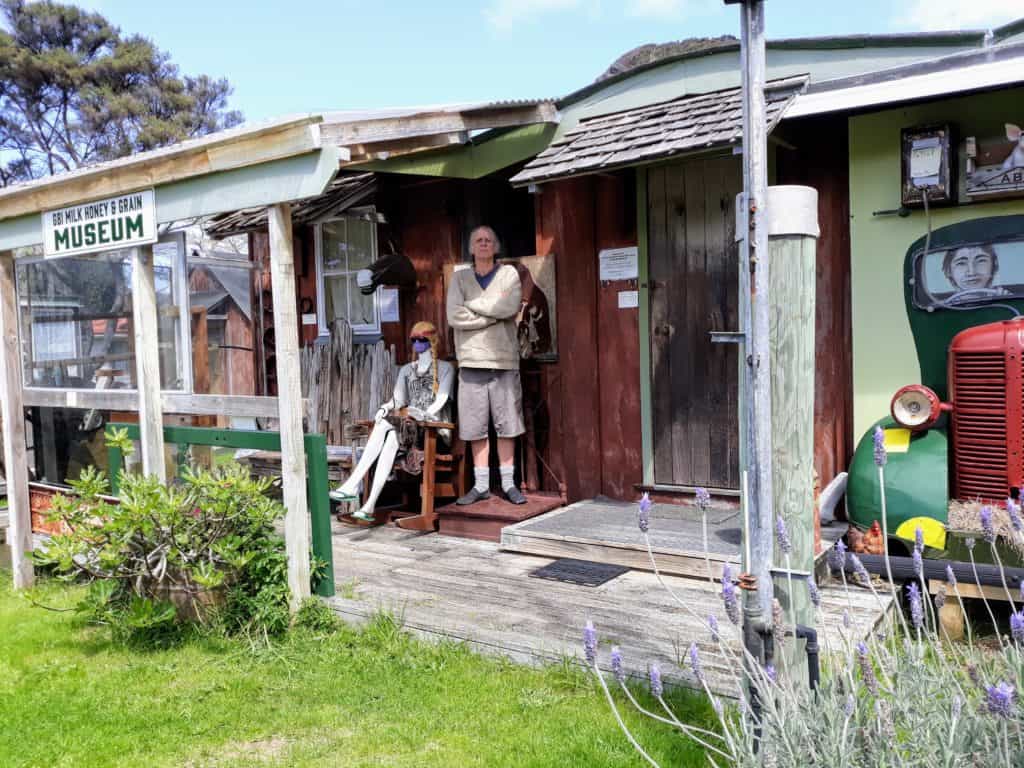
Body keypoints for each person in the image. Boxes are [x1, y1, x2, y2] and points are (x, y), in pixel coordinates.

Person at [329, 321, 454, 521]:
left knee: (388, 425)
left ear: (432, 341)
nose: (417, 344)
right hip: (407, 430)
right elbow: (397, 399)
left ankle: (353, 484)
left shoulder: (446, 368)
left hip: (432, 431)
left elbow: (442, 398)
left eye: (421, 340)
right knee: (389, 436)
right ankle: (369, 505)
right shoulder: (407, 370)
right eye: (414, 340)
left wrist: (425, 414)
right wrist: (384, 407)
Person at [446, 225, 527, 505]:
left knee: (508, 425)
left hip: (503, 361)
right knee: (475, 427)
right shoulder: (459, 279)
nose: (483, 244)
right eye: (478, 240)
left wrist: (475, 306)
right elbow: (454, 315)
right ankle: (480, 486)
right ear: (471, 248)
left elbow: (510, 306)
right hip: (470, 362)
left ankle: (508, 483)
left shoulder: (509, 275)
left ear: (496, 246)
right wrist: (491, 316)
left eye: (488, 240)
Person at [940, 244, 1009, 304]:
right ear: (948, 271)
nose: (972, 272)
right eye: (961, 263)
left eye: (981, 261)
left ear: (994, 265)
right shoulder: (942, 307)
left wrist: (1006, 299)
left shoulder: (1005, 298)